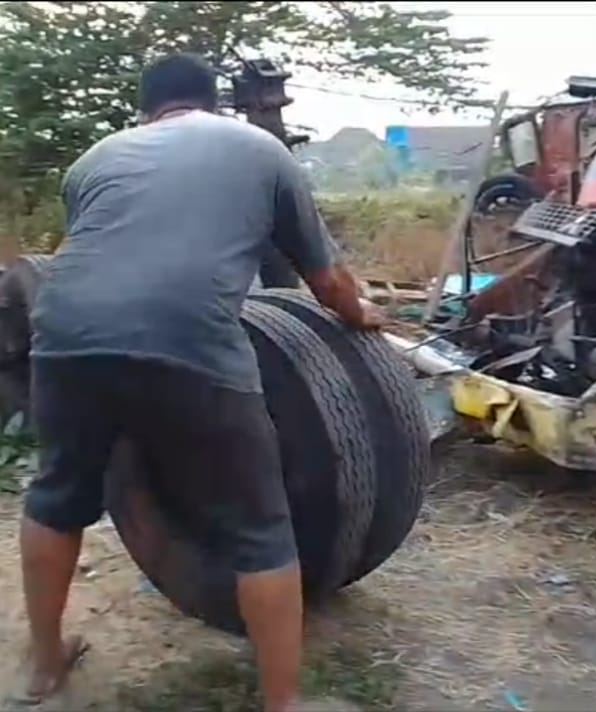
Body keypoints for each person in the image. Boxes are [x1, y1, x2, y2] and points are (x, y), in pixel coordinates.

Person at [16, 52, 382, 711]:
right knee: (261, 531)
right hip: (189, 340)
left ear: (144, 111)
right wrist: (364, 316)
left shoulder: (93, 161)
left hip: (66, 337)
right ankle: (283, 703)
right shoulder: (262, 150)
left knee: (56, 497)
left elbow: (109, 256)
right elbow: (327, 281)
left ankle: (45, 665)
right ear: (213, 103)